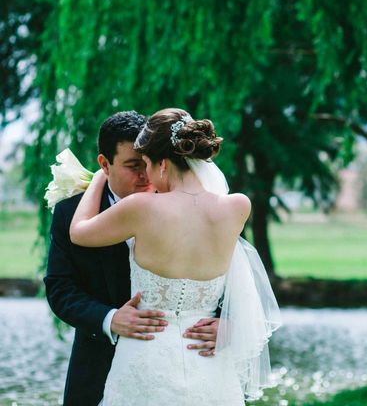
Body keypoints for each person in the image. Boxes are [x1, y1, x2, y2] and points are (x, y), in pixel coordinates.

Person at [68, 108, 281, 405]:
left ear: (163, 165)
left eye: (147, 165)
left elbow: (79, 232)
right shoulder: (236, 207)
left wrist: (96, 181)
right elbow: (240, 282)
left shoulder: (142, 208)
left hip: (145, 358)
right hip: (207, 361)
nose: (147, 176)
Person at [45, 111, 221, 406]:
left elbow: (230, 270)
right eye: (132, 166)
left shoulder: (198, 206)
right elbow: (60, 289)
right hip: (98, 368)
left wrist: (227, 322)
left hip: (187, 367)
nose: (145, 176)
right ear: (104, 164)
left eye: (148, 163)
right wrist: (110, 318)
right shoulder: (70, 213)